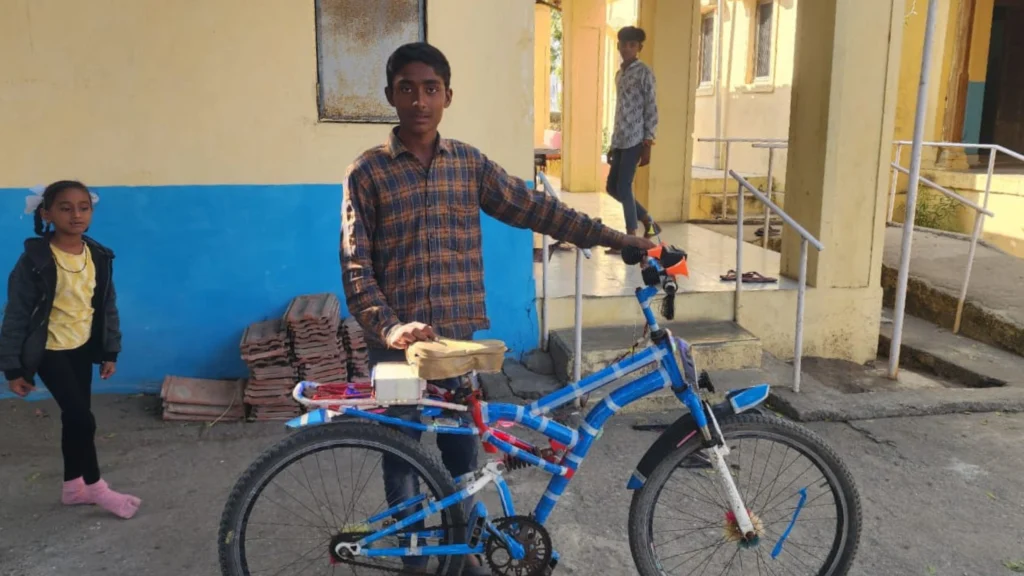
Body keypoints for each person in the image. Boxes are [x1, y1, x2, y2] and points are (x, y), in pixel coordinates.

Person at [341, 42, 654, 574]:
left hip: (457, 345)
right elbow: (355, 268)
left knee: (465, 458)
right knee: (402, 452)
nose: (420, 99)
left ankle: (459, 555)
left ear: (448, 96)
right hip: (397, 351)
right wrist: (392, 330)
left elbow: (535, 208)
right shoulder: (368, 172)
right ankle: (417, 560)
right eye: (407, 88)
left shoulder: (468, 164)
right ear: (390, 95)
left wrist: (614, 237)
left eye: (431, 89)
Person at [0, 180, 141, 520]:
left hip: (80, 347)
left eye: (83, 207)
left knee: (73, 419)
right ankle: (95, 486)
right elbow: (16, 314)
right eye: (65, 207)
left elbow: (106, 306)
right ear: (46, 213)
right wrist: (12, 369)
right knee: (82, 418)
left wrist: (110, 352)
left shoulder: (98, 255)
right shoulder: (34, 261)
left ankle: (72, 488)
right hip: (48, 349)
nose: (76, 214)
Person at [606, 25, 660, 252]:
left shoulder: (644, 73)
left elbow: (651, 108)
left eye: (632, 45)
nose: (627, 49)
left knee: (624, 186)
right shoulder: (620, 74)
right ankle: (647, 220)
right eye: (624, 44)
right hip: (620, 139)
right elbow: (620, 111)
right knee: (612, 187)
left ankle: (630, 240)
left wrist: (648, 143)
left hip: (636, 139)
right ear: (618, 46)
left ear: (639, 48)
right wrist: (612, 143)